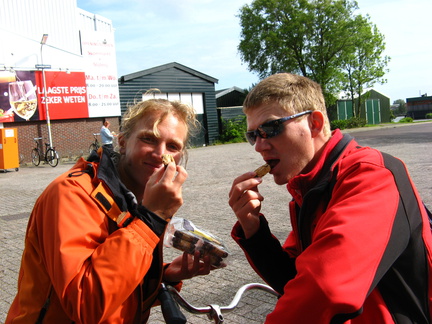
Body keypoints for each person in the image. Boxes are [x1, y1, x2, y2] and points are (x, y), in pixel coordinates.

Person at [228, 73, 432, 323]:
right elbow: (293, 279)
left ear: (314, 123)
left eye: (270, 129)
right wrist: (253, 229)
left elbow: (325, 290)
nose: (259, 145)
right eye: (253, 136)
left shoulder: (371, 175)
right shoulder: (309, 188)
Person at [7, 97, 214, 323]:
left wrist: (164, 275)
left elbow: (115, 280)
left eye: (173, 146)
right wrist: (152, 219)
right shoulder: (72, 194)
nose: (160, 154)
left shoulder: (136, 197)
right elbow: (87, 305)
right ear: (123, 142)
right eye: (148, 139)